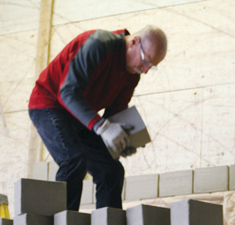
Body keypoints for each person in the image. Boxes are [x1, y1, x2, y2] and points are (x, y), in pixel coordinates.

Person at [28, 26, 167, 210]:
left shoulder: (132, 74)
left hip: (81, 116)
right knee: (73, 159)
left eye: (152, 66)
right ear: (134, 42)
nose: (146, 70)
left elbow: (115, 112)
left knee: (111, 170)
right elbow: (67, 93)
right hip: (50, 103)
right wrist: (103, 128)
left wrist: (120, 143)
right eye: (145, 61)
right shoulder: (99, 45)